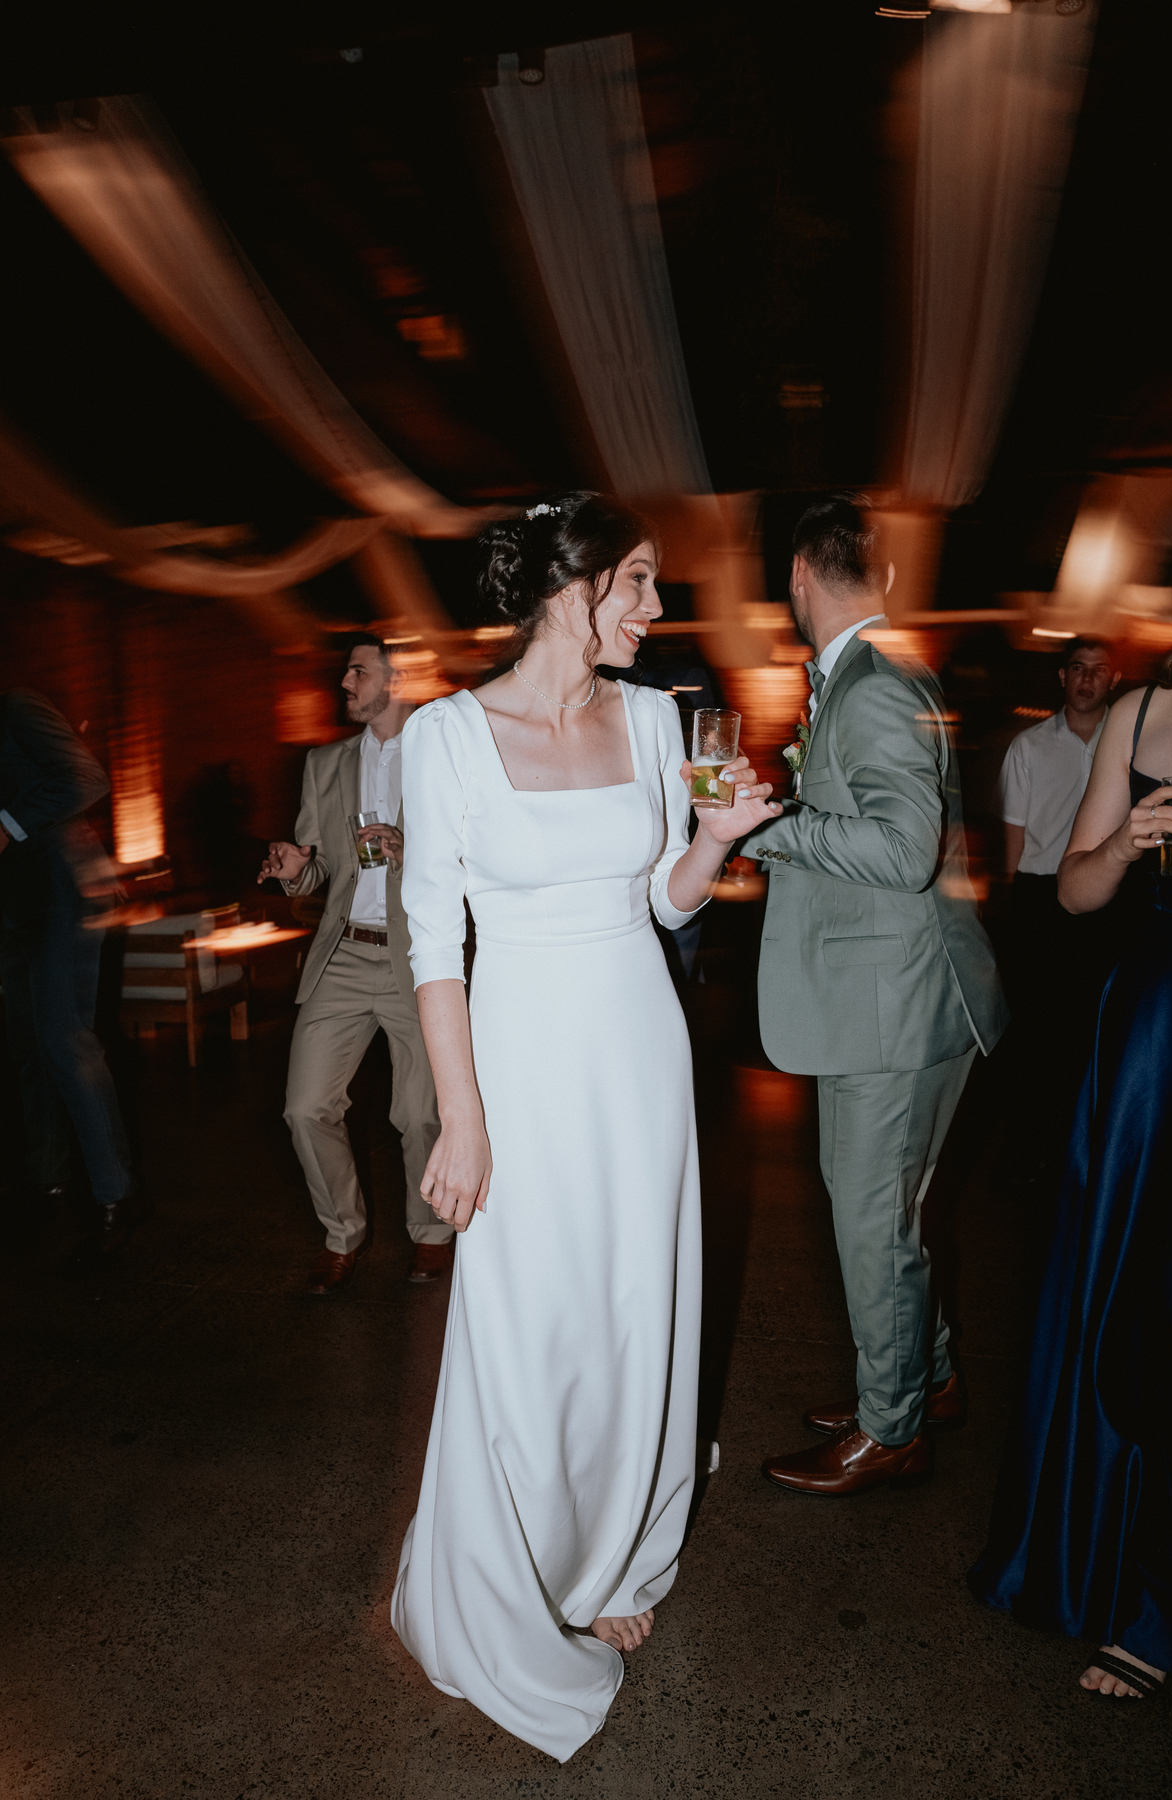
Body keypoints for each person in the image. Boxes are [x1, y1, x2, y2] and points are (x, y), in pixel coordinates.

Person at [390, 492, 779, 1762]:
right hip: (516, 1054)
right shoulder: (444, 734)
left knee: (635, 1304)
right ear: (575, 588)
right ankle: (517, 1578)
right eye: (640, 585)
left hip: (636, 1048)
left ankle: (618, 1555)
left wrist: (714, 840)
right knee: (525, 1319)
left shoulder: (658, 715)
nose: (657, 610)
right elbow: (432, 940)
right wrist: (463, 1116)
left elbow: (665, 900)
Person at [969, 555, 1172, 1701]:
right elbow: (1071, 888)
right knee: (1140, 1295)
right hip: (1162, 1026)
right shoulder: (1146, 710)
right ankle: (1144, 1584)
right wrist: (1132, 841)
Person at [747, 495, 1008, 1498]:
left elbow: (903, 854)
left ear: (801, 577)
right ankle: (922, 1379)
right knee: (888, 1213)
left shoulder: (866, 689)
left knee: (870, 1220)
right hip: (896, 997)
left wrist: (760, 825)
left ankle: (891, 1429)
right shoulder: (877, 674)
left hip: (893, 1011)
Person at [258, 638, 452, 1294]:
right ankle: (342, 1232)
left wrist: (411, 848)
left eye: (359, 670)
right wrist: (295, 869)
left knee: (420, 1113)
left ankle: (431, 1235)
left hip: (417, 958)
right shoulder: (326, 762)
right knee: (305, 1107)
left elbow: (476, 856)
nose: (345, 680)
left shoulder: (440, 756)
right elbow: (316, 865)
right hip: (343, 954)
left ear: (397, 681)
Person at [0, 688, 138, 1248]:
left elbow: (86, 777)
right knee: (27, 1046)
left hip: (63, 888)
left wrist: (6, 825)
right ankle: (48, 1182)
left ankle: (118, 1193)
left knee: (64, 1043)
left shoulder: (13, 707)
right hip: (13, 905)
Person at [997, 637, 1123, 1178]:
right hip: (1039, 895)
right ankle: (1027, 1150)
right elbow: (1015, 835)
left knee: (1091, 1027)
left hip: (1107, 901)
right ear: (1062, 677)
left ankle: (1085, 1152)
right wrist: (1013, 906)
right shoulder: (1029, 746)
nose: (1088, 679)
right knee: (1032, 1028)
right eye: (1078, 668)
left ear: (1113, 680)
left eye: (1099, 670)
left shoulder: (1128, 744)